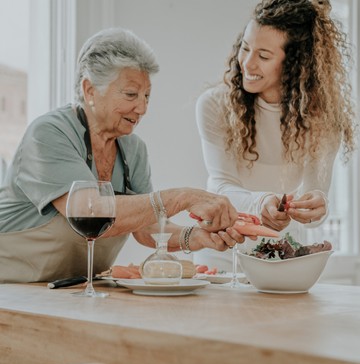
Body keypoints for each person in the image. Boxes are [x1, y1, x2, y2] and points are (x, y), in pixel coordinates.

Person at [0, 28, 245, 283]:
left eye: (147, 96)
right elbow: (88, 210)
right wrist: (182, 197)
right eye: (131, 94)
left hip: (73, 289)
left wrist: (198, 236)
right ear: (90, 90)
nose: (142, 108)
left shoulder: (133, 149)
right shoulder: (49, 133)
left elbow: (147, 228)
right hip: (12, 289)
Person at [195, 0, 356, 269]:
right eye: (245, 48)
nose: (247, 63)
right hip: (221, 255)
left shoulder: (324, 120)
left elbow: (314, 199)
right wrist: (261, 203)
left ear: (295, 64)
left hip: (283, 259)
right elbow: (221, 187)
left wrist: (317, 205)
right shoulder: (214, 105)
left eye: (264, 56)